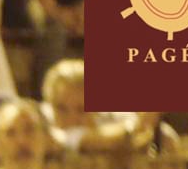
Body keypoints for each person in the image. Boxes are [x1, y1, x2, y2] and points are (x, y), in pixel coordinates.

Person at [39, 59, 174, 153]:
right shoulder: (46, 128)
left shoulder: (112, 115)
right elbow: (107, 140)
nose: (72, 118)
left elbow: (163, 136)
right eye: (61, 109)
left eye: (81, 110)